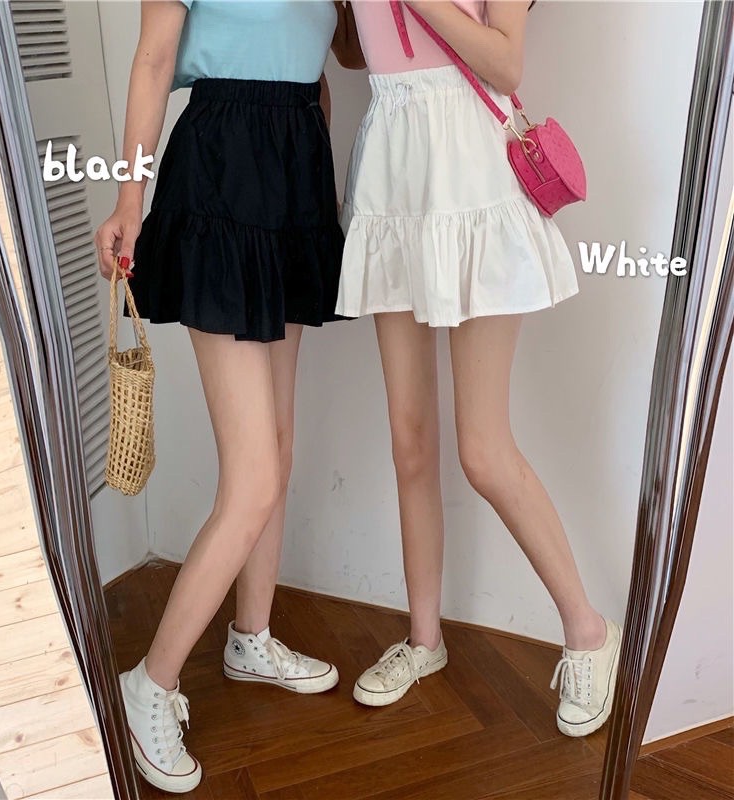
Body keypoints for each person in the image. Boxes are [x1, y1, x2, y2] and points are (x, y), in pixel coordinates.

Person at [94, 1, 364, 791]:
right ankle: (149, 684)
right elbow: (153, 61)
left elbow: (332, 64)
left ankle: (252, 636)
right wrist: (130, 201)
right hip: (220, 171)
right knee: (253, 477)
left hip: (296, 174)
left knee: (278, 446)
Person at [337, 0, 621, 738]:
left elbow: (505, 63)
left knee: (483, 450)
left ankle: (589, 630)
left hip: (475, 182)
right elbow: (357, 53)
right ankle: (423, 640)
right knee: (409, 442)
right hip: (393, 177)